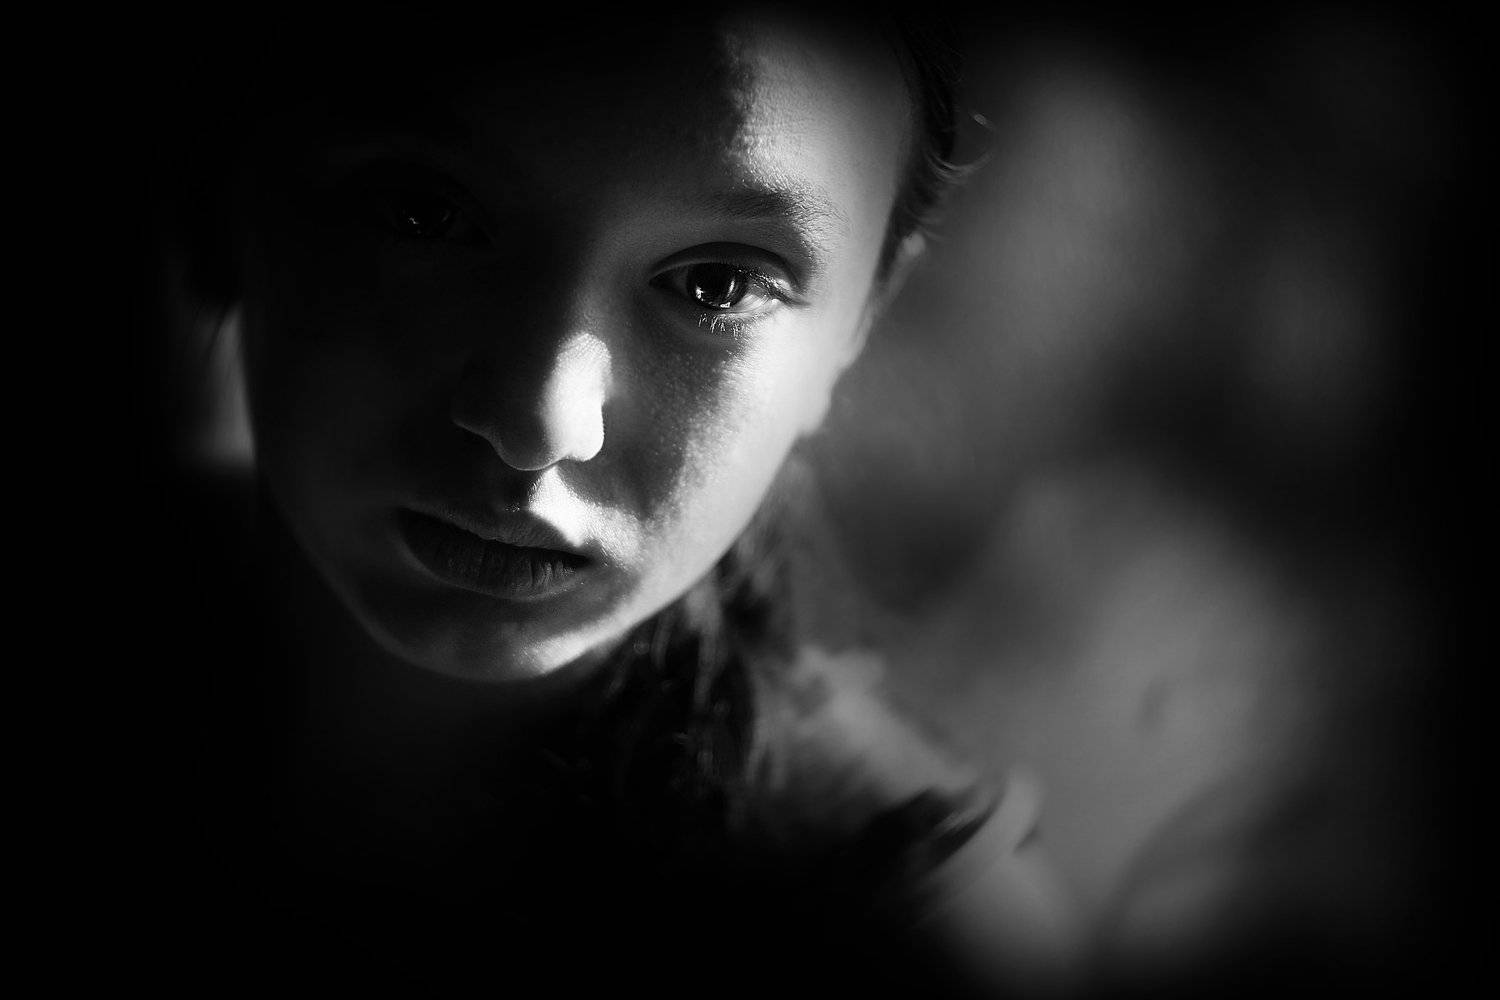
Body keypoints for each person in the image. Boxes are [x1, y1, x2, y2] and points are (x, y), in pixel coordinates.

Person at [146, 6, 1079, 993]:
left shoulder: (902, 941)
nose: (538, 422)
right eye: (423, 213)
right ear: (219, 198)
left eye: (718, 283)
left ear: (859, 327)